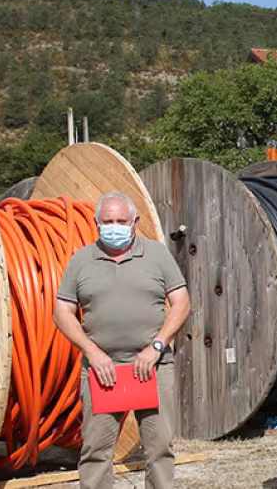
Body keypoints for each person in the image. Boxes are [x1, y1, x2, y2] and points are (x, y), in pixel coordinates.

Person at [53, 191, 191, 489]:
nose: (114, 226)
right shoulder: (81, 260)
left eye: (120, 221)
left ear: (134, 222)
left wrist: (156, 347)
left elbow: (181, 303)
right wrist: (92, 351)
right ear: (96, 223)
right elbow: (62, 311)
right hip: (103, 370)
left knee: (159, 450)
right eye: (107, 221)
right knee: (96, 453)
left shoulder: (156, 254)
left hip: (152, 367)